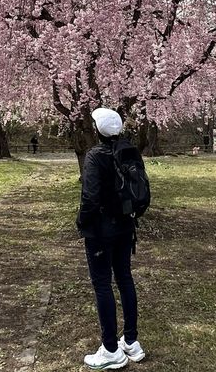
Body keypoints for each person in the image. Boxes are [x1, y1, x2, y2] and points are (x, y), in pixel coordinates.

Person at [77, 107, 145, 370]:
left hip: (101, 231)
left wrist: (82, 222)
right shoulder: (130, 151)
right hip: (126, 227)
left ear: (97, 130)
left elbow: (90, 197)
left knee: (103, 284)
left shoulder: (95, 156)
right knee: (125, 278)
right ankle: (131, 341)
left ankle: (110, 349)